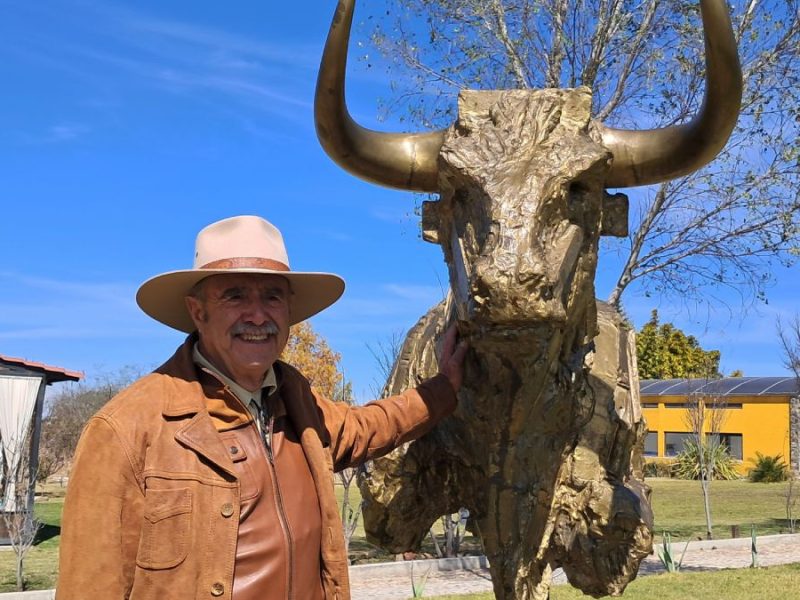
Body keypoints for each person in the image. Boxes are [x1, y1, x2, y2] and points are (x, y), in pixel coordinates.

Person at [56, 215, 467, 600]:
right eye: (235, 295)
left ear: (289, 312)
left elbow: (369, 426)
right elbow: (90, 585)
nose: (257, 315)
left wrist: (444, 389)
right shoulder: (126, 428)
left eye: (272, 296)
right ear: (197, 312)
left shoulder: (297, 402)